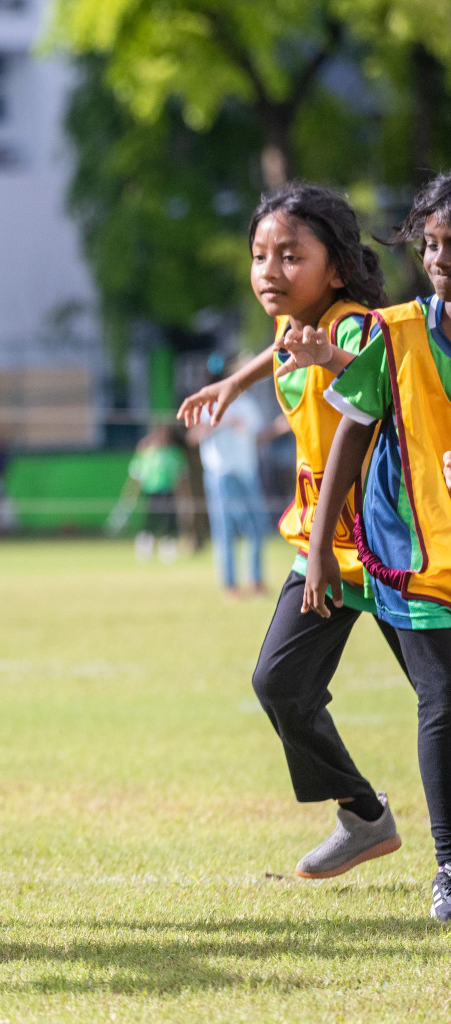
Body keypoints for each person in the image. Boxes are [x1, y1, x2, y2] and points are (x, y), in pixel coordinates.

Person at [180, 183, 407, 880]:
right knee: (280, 683)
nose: (269, 272)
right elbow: (280, 349)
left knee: (441, 700)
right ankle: (362, 815)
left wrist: (328, 360)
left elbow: (386, 376)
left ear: (335, 267)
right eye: (259, 256)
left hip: (393, 546)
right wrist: (233, 385)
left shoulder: (353, 327)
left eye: (290, 256)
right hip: (323, 546)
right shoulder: (294, 330)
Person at [306, 172, 451, 919]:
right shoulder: (396, 337)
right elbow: (350, 442)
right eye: (431, 244)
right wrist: (328, 545)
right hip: (420, 559)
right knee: (441, 703)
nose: (440, 259)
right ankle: (449, 866)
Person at [186, 371, 270, 597]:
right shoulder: (208, 403)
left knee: (257, 527)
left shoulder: (247, 403)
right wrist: (222, 423)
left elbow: (257, 435)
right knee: (225, 531)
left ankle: (256, 581)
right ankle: (230, 586)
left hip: (247, 473)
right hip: (220, 474)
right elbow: (194, 437)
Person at [119, 425, 186, 562]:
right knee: (150, 521)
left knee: (169, 521)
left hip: (168, 491)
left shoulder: (174, 453)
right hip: (151, 491)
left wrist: (181, 494)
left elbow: (180, 475)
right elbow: (136, 475)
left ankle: (167, 549)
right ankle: (145, 548)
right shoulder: (146, 453)